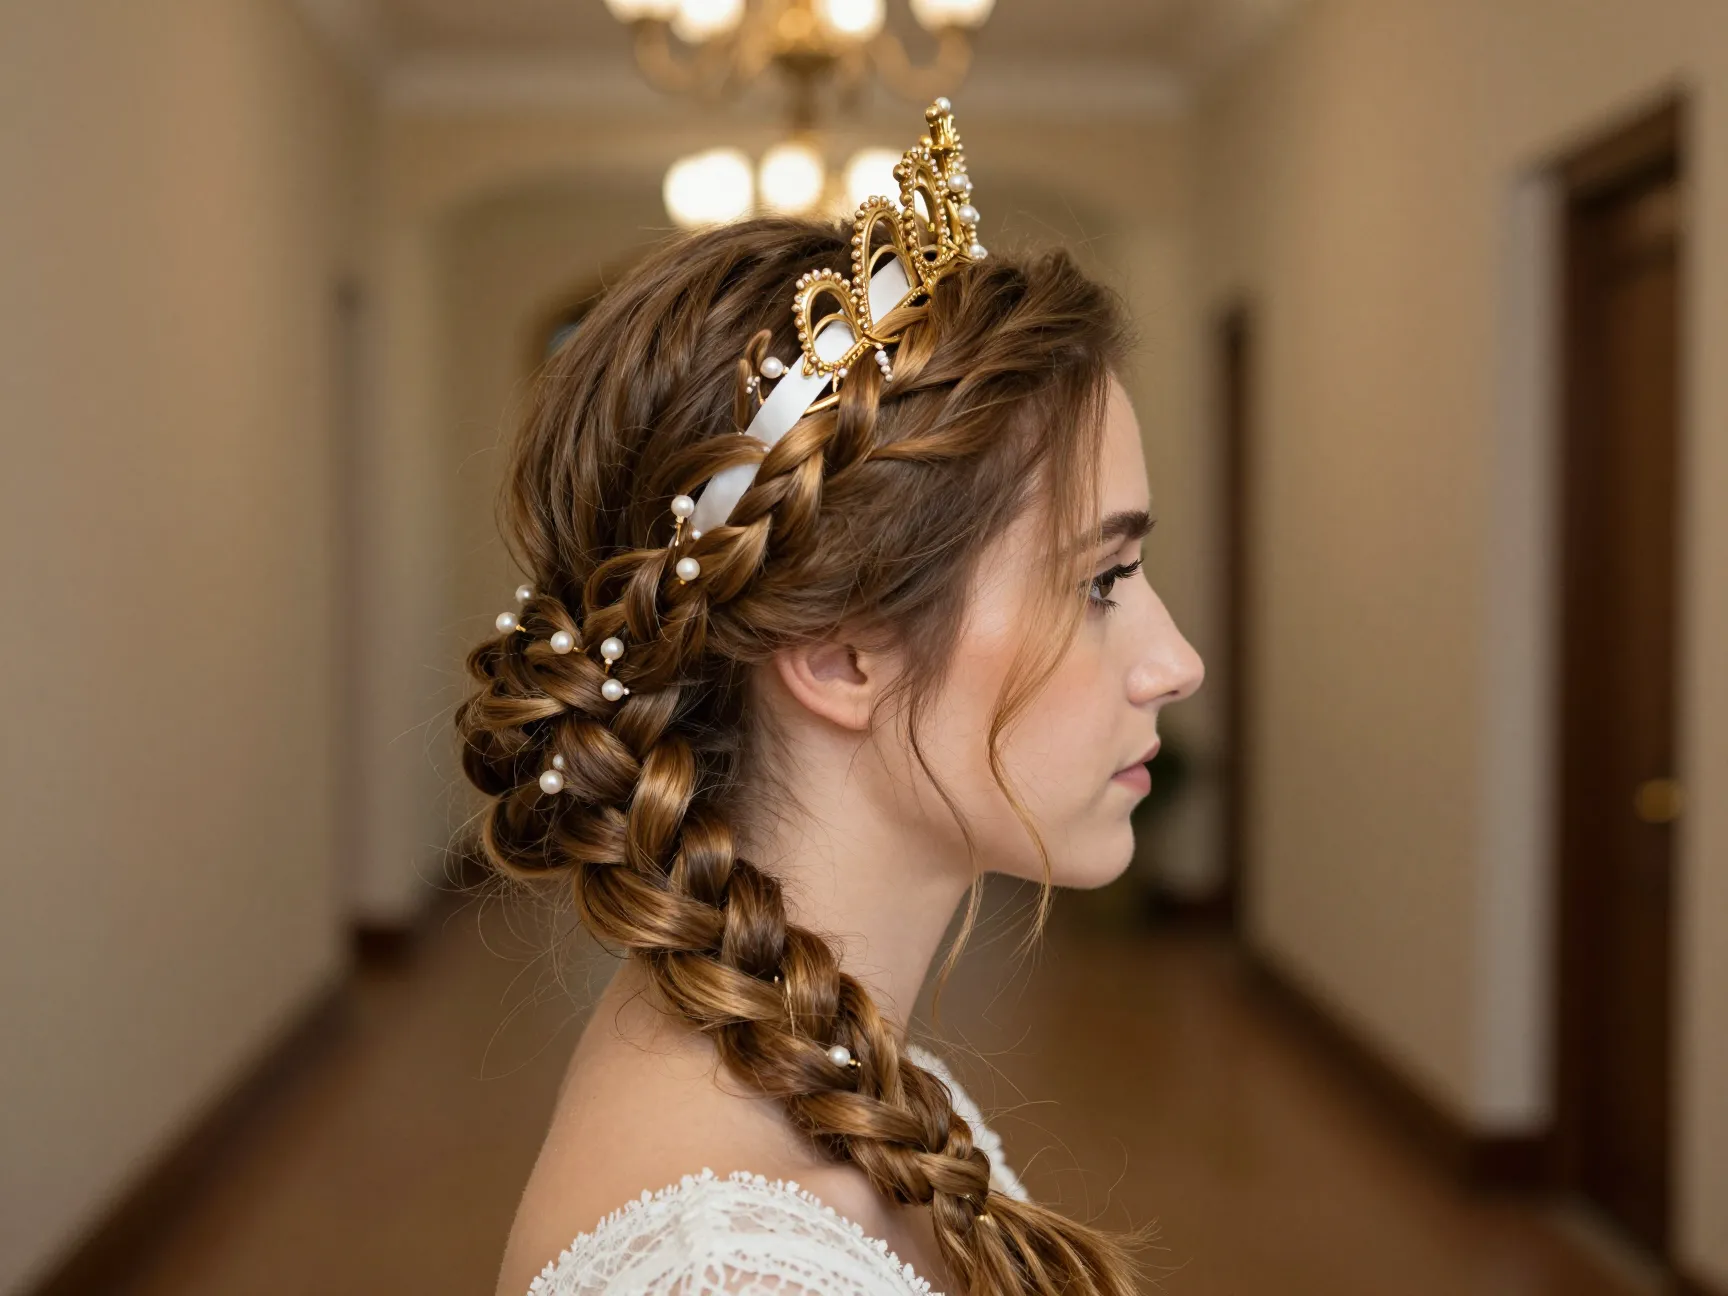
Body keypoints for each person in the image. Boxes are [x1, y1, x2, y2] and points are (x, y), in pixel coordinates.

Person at [454, 100, 1204, 1296]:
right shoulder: (733, 1276)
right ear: (842, 657)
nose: (1177, 662)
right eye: (1103, 580)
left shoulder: (835, 1067)